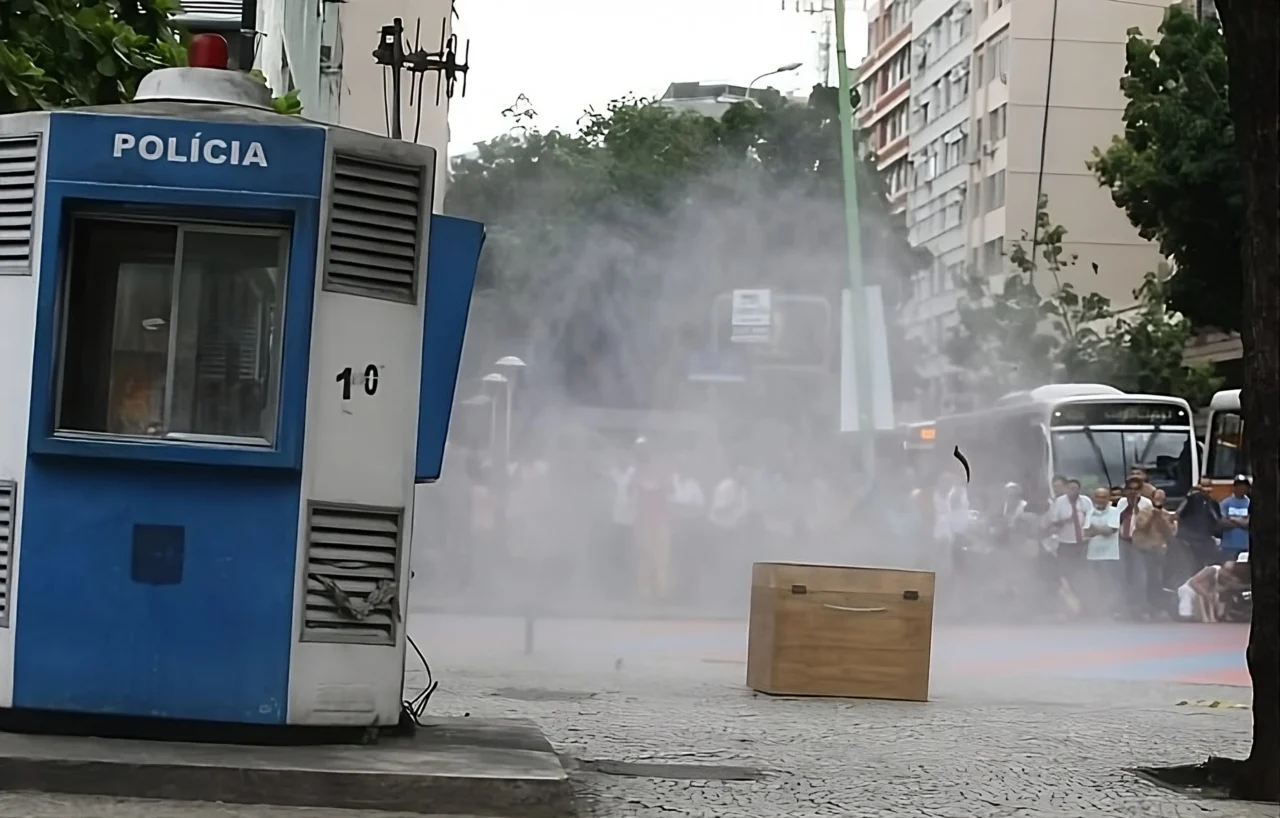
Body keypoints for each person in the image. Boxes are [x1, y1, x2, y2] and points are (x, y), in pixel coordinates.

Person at [1117, 475, 1157, 620]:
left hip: (1139, 543)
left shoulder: (1147, 504)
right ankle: (1124, 608)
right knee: (1122, 576)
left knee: (1140, 576)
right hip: (1122, 541)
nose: (1133, 492)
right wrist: (1128, 506)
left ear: (1141, 490)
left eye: (1136, 489)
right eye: (1130, 489)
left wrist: (1135, 508)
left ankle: (1141, 608)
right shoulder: (1121, 503)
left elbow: (1146, 524)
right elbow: (1117, 521)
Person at [1049, 478, 1092, 612]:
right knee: (1066, 576)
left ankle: (1086, 607)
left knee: (1083, 576)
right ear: (1066, 489)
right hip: (1065, 544)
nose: (1073, 491)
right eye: (1071, 489)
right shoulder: (1059, 502)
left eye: (1076, 489)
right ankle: (1068, 608)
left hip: (1083, 544)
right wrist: (1065, 520)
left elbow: (1091, 519)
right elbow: (1053, 523)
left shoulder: (1086, 501)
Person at [1085, 486, 1123, 617]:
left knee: (1110, 584)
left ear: (1108, 498)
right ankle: (1097, 611)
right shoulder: (1089, 511)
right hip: (1092, 555)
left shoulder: (1115, 511)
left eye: (1103, 497)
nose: (1100, 500)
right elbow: (1087, 531)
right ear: (1093, 498)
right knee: (1095, 584)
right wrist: (1100, 529)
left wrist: (1095, 529)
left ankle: (1110, 611)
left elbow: (1111, 531)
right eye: (1098, 497)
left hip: (1110, 555)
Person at [1178, 477, 1224, 569]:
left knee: (1210, 564)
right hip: (1191, 539)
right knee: (1193, 565)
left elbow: (1217, 519)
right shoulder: (1190, 500)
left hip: (1207, 538)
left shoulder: (1213, 503)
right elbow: (1178, 514)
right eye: (1203, 486)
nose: (1206, 489)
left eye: (1208, 486)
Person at [1218, 476, 1251, 561]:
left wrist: (1233, 519)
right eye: (1239, 485)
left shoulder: (1250, 504)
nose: (1242, 488)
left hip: (1245, 546)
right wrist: (1242, 521)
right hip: (1228, 546)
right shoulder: (1225, 503)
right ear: (1234, 487)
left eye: (1244, 485)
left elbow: (1250, 523)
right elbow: (1222, 523)